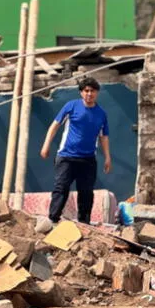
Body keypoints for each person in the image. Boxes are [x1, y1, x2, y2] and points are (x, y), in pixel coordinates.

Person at [40, 77, 111, 224]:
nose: (89, 94)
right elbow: (55, 126)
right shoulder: (71, 106)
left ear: (97, 93)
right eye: (86, 91)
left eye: (92, 91)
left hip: (88, 159)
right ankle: (53, 219)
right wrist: (46, 145)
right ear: (81, 92)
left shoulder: (101, 114)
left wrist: (108, 157)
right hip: (66, 157)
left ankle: (84, 222)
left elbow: (104, 137)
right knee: (61, 187)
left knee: (86, 192)